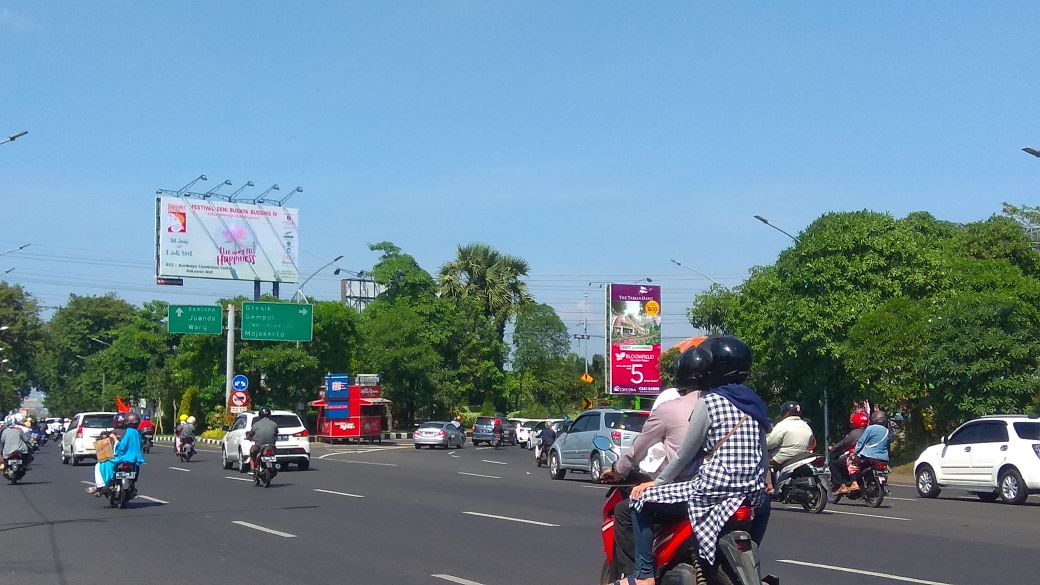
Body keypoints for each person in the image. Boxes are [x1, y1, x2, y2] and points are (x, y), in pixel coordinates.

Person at [620, 336, 773, 585]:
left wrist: (657, 483)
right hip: (750, 492)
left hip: (711, 489)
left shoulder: (709, 402)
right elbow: (763, 455)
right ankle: (752, 557)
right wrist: (762, 483)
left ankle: (645, 575)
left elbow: (685, 454)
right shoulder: (755, 404)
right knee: (764, 507)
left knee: (640, 502)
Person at [598, 342, 706, 579]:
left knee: (627, 509)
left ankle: (639, 575)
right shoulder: (728, 405)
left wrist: (618, 470)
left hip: (685, 491)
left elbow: (639, 447)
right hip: (730, 491)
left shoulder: (671, 408)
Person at [86, 413, 145, 495]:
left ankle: (101, 486)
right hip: (134, 459)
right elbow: (141, 445)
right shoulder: (137, 433)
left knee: (100, 465)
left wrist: (114, 439)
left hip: (122, 457)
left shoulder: (127, 432)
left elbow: (121, 448)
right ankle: (131, 486)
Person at [766, 401, 815, 468]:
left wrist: (762, 443)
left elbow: (771, 443)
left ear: (786, 413)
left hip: (783, 458)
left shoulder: (783, 424)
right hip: (803, 456)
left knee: (763, 461)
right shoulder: (806, 426)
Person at [830, 412, 869, 495]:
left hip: (855, 457)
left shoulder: (854, 434)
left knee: (834, 465)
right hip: (868, 457)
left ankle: (842, 485)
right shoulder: (870, 431)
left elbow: (843, 444)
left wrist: (833, 449)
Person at [246, 407, 278, 471]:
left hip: (259, 446)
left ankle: (252, 468)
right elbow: (276, 434)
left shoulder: (256, 424)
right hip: (271, 446)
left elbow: (250, 435)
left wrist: (249, 438)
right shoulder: (274, 424)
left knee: (252, 452)